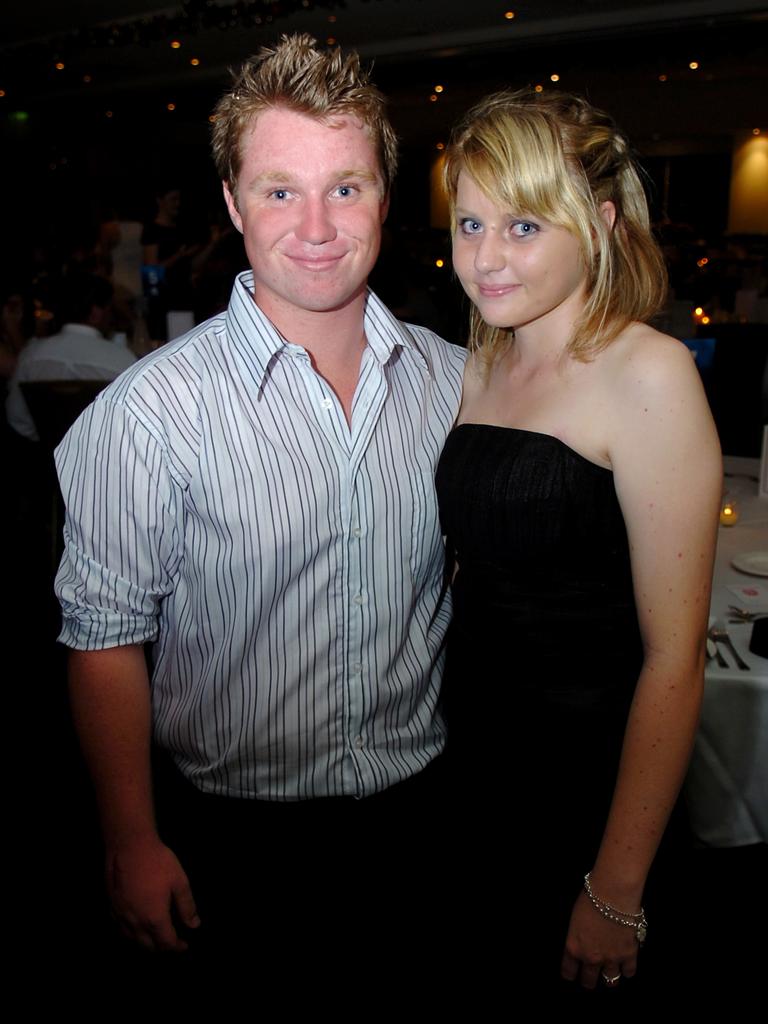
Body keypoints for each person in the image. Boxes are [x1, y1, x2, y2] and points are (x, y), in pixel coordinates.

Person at [55, 33, 465, 979]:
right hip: (231, 840)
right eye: (281, 190)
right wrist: (130, 839)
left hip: (425, 816)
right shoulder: (147, 416)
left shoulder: (458, 386)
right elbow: (103, 640)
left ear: (385, 198)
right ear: (235, 203)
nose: (316, 225)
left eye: (346, 187)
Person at [436, 90, 721, 999]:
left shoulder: (650, 371)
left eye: (523, 225)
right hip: (471, 762)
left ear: (597, 224)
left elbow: (676, 663)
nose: (485, 257)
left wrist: (617, 887)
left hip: (589, 783)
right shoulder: (483, 357)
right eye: (470, 222)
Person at [5, 273, 135, 441]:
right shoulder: (122, 360)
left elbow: (18, 420)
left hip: (47, 460)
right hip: (106, 460)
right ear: (96, 313)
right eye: (110, 309)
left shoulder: (30, 356)